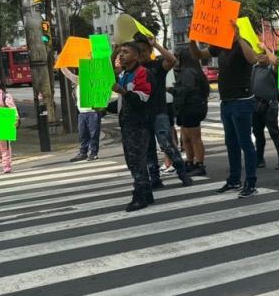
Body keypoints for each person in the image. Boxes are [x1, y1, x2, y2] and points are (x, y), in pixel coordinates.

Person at [189, 28, 260, 198]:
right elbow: (198, 55)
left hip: (242, 101)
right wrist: (192, 40)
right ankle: (234, 180)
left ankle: (250, 182)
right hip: (226, 102)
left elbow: (252, 58)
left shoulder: (242, 43)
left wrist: (239, 38)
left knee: (245, 143)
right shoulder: (219, 45)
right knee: (231, 143)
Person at [133, 35, 193, 189]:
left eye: (144, 50)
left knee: (166, 144)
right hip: (141, 114)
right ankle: (155, 178)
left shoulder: (157, 65)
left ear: (150, 51)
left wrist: (157, 44)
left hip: (159, 111)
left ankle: (182, 173)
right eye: (138, 51)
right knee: (148, 148)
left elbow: (172, 60)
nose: (141, 54)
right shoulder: (133, 69)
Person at [112, 42, 155, 212]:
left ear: (136, 56)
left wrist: (122, 92)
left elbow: (142, 98)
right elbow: (124, 103)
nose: (121, 55)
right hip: (127, 124)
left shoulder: (142, 73)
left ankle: (139, 196)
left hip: (139, 124)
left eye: (125, 52)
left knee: (136, 161)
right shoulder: (124, 74)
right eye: (120, 52)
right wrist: (105, 109)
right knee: (134, 162)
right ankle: (146, 192)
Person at [171, 47, 210, 176]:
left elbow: (186, 90)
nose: (174, 59)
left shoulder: (188, 72)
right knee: (186, 138)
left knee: (194, 138)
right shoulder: (190, 70)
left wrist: (172, 90)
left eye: (176, 57)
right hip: (189, 108)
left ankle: (199, 164)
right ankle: (190, 161)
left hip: (190, 108)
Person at [250, 52, 279, 170]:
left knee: (274, 132)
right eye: (258, 54)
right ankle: (259, 159)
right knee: (257, 133)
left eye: (263, 54)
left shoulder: (272, 69)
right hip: (255, 105)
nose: (260, 56)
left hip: (269, 106)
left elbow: (276, 63)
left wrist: (266, 49)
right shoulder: (254, 69)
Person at [61, 68, 102, 163]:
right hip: (82, 112)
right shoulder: (79, 80)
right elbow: (68, 75)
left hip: (93, 112)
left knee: (94, 134)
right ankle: (83, 152)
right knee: (83, 134)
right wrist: (62, 65)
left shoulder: (95, 81)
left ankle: (94, 153)